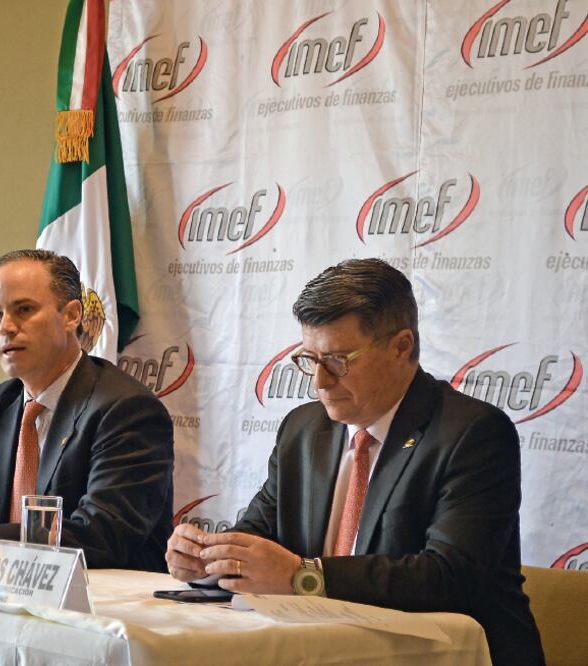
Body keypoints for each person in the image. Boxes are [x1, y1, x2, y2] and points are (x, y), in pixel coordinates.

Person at [165, 258, 543, 666]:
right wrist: (207, 559)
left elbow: (448, 576)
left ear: (402, 346)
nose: (320, 382)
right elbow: (258, 534)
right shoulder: (303, 429)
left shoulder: (472, 433)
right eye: (310, 360)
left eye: (339, 361)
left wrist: (303, 577)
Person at [0, 249, 174, 571]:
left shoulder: (125, 409)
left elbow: (104, 534)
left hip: (104, 603)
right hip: (2, 589)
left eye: (24, 310)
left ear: (71, 315)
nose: (6, 327)